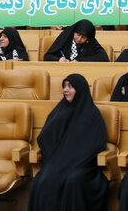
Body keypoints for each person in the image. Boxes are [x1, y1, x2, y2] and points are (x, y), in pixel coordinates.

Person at [28, 74, 108, 211]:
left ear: (80, 89)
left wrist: (72, 162)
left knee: (73, 181)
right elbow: (45, 138)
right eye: (64, 86)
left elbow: (96, 145)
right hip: (57, 163)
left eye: (70, 87)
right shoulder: (59, 111)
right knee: (41, 181)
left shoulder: (92, 114)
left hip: (83, 166)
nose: (66, 90)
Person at [43, 19, 109, 62]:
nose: (79, 39)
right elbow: (47, 56)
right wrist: (59, 59)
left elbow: (104, 58)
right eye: (78, 35)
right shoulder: (66, 37)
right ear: (74, 32)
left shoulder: (91, 42)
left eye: (83, 37)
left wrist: (80, 60)